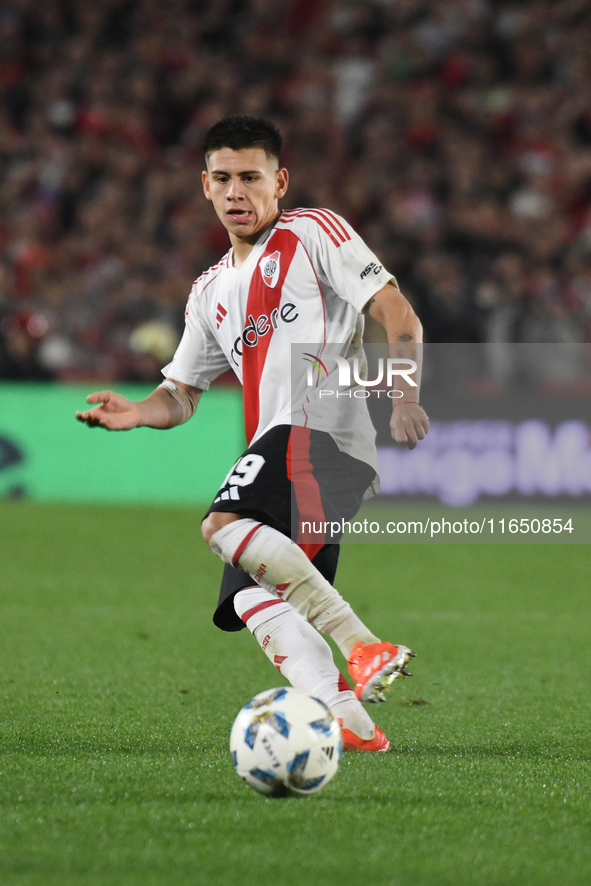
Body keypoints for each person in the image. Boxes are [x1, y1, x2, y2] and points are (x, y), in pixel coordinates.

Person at [76, 115, 430, 752]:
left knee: (222, 526)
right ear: (204, 187)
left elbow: (396, 312)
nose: (236, 191)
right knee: (250, 597)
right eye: (222, 178)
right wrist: (136, 411)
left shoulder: (314, 232)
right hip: (281, 442)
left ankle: (362, 645)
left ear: (280, 181)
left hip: (323, 428)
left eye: (250, 176)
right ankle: (348, 722)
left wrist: (404, 394)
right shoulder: (209, 290)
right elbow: (181, 394)